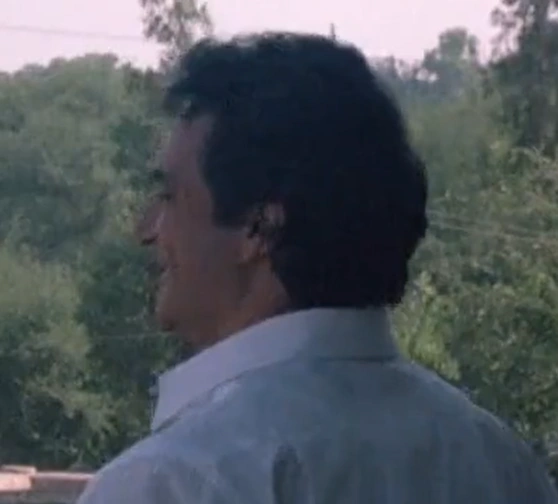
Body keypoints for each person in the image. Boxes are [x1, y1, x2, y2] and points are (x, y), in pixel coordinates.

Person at [77, 32, 558, 503]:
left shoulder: (175, 480)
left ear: (258, 228)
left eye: (168, 197)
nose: (147, 230)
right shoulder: (501, 462)